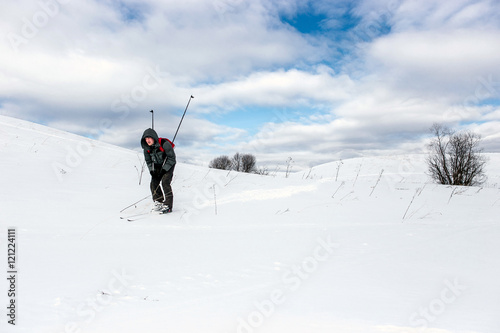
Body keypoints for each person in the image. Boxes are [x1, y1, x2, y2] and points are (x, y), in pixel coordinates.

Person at [141, 128, 176, 213]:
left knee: (165, 182)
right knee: (154, 182)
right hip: (157, 165)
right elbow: (149, 161)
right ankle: (158, 202)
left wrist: (164, 170)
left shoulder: (164, 144)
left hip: (168, 163)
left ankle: (168, 205)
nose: (147, 140)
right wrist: (152, 171)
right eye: (145, 139)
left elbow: (172, 159)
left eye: (149, 138)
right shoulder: (146, 149)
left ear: (153, 137)